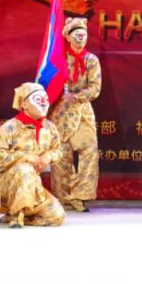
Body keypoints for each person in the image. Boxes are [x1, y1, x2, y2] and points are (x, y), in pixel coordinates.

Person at [0, 82, 66, 229]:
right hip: (8, 183)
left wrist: (49, 155)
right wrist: (24, 157)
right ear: (24, 104)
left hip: (33, 184)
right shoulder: (10, 127)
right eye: (38, 99)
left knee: (57, 216)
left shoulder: (49, 127)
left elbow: (58, 150)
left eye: (45, 99)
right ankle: (16, 216)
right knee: (24, 169)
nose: (44, 103)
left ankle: (23, 215)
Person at [49, 17, 102, 212]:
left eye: (84, 34)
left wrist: (78, 96)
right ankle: (63, 198)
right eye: (77, 34)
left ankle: (80, 196)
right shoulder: (59, 58)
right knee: (61, 156)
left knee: (89, 153)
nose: (81, 37)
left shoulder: (91, 60)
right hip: (61, 112)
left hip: (82, 111)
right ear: (68, 37)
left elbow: (95, 88)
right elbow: (49, 82)